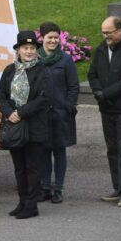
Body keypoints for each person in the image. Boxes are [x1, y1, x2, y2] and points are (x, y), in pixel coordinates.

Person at [0, 30, 51, 219]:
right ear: (18, 50)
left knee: (32, 167)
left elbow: (43, 98)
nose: (28, 51)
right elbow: (1, 95)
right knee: (19, 167)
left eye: (32, 48)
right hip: (14, 126)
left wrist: (20, 112)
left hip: (34, 126)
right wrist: (8, 113)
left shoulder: (42, 70)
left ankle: (32, 205)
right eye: (25, 48)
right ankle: (22, 201)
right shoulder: (10, 70)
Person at [88, 16, 121, 207]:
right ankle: (117, 188)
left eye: (108, 32)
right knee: (113, 151)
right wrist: (97, 92)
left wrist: (105, 93)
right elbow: (92, 74)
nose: (105, 36)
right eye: (103, 32)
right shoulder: (101, 49)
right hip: (106, 109)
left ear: (120, 30)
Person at [38, 21, 79, 204]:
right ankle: (45, 187)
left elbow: (74, 86)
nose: (53, 41)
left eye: (56, 37)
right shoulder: (35, 58)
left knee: (59, 152)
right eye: (50, 37)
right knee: (43, 152)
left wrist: (68, 106)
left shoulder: (65, 60)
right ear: (42, 38)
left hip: (61, 114)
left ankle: (58, 189)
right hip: (40, 115)